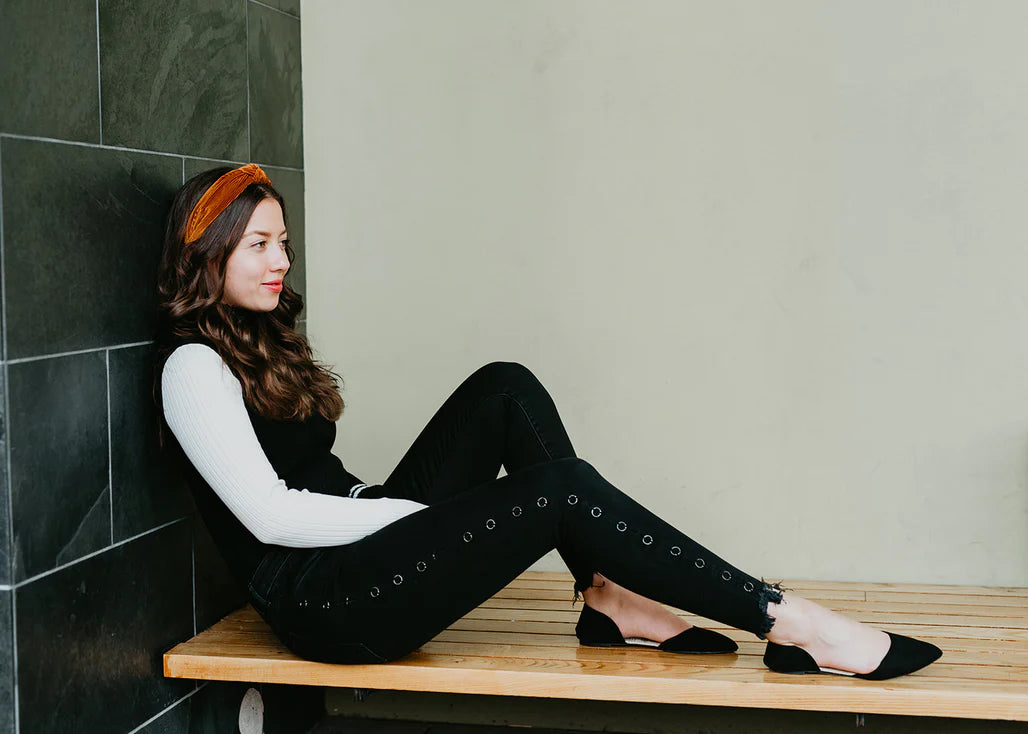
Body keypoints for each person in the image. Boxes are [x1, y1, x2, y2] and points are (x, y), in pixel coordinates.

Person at [155, 163, 942, 679]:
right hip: (323, 604)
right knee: (559, 489)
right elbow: (266, 512)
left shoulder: (253, 338)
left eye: (283, 241)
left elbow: (318, 480)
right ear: (209, 252)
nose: (280, 260)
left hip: (360, 539)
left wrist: (389, 510)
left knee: (504, 387)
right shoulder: (193, 366)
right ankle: (791, 620)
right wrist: (412, 515)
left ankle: (609, 597)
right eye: (258, 244)